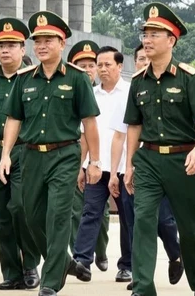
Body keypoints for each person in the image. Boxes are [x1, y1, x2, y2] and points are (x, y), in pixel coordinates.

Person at [0, 10, 100, 296]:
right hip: (30, 156)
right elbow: (14, 119)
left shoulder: (78, 79)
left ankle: (51, 282)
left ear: (62, 42)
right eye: (37, 41)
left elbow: (90, 123)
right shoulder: (24, 79)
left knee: (57, 217)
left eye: (48, 40)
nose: (41, 46)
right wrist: (6, 154)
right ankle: (64, 260)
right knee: (30, 217)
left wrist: (95, 161)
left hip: (65, 155)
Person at [123, 2, 195, 296]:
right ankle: (143, 288)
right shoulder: (138, 81)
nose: (147, 40)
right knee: (144, 222)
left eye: (154, 34)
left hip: (183, 160)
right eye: (145, 34)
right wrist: (130, 164)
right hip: (148, 160)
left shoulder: (189, 77)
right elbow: (134, 126)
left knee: (189, 228)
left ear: (172, 40)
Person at [108, 43, 184, 291]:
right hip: (134, 168)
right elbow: (122, 135)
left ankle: (177, 255)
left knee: (164, 220)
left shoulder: (177, 82)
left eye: (145, 58)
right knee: (136, 223)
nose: (143, 62)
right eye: (139, 59)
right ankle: (140, 276)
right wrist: (119, 170)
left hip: (164, 166)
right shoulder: (132, 91)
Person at [0, 17, 40, 290]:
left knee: (20, 209)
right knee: (2, 214)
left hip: (23, 152)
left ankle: (30, 266)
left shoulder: (34, 79)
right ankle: (11, 272)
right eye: (1, 45)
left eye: (12, 45)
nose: (5, 50)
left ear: (23, 49)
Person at [71, 44, 132, 283]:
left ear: (119, 66)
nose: (103, 69)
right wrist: (81, 166)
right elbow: (85, 134)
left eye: (108, 64)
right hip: (96, 167)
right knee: (90, 212)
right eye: (100, 65)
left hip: (124, 168)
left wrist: (130, 166)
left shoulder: (130, 92)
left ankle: (127, 265)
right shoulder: (90, 94)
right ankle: (82, 261)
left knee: (128, 217)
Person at [67, 40, 110, 277]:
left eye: (90, 65)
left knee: (100, 214)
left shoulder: (105, 94)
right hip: (76, 160)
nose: (87, 70)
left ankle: (100, 250)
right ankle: (80, 258)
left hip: (102, 162)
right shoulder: (69, 92)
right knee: (77, 211)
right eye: (80, 65)